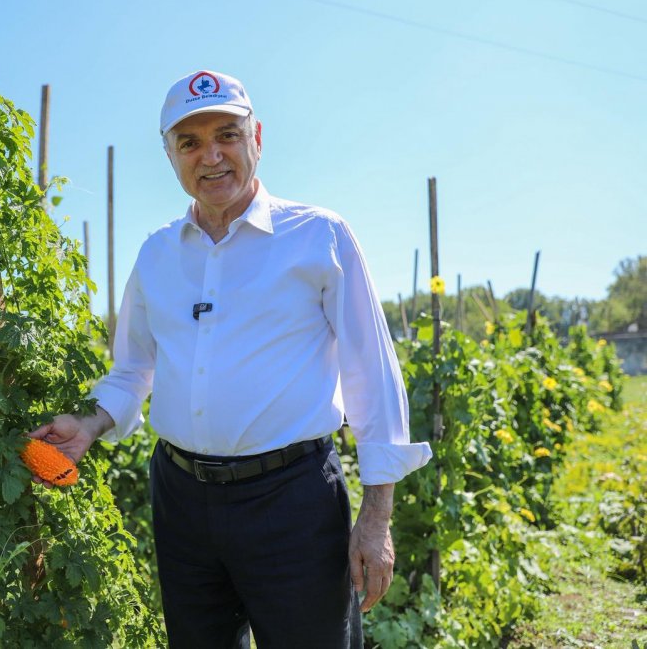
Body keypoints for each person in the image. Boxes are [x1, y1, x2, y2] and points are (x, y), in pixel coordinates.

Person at [29, 69, 433, 648]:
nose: (211, 156)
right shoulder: (157, 253)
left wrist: (377, 517)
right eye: (190, 142)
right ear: (170, 156)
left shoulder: (317, 236)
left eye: (227, 135)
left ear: (256, 139)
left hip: (292, 499)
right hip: (181, 500)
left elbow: (373, 375)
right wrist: (89, 424)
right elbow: (133, 369)